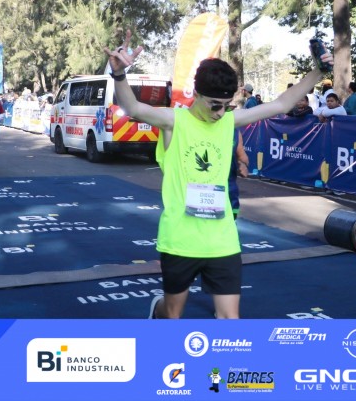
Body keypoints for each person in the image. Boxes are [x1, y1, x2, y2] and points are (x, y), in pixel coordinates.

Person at [104, 30, 332, 319]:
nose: (220, 113)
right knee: (172, 314)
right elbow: (133, 107)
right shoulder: (173, 122)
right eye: (214, 105)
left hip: (222, 238)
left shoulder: (228, 121)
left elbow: (282, 104)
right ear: (197, 95)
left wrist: (318, 72)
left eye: (227, 106)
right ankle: (157, 311)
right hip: (180, 238)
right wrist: (119, 74)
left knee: (229, 320)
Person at [227, 130, 249, 220]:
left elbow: (242, 157)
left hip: (229, 191)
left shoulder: (234, 132)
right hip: (197, 189)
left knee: (231, 221)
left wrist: (243, 165)